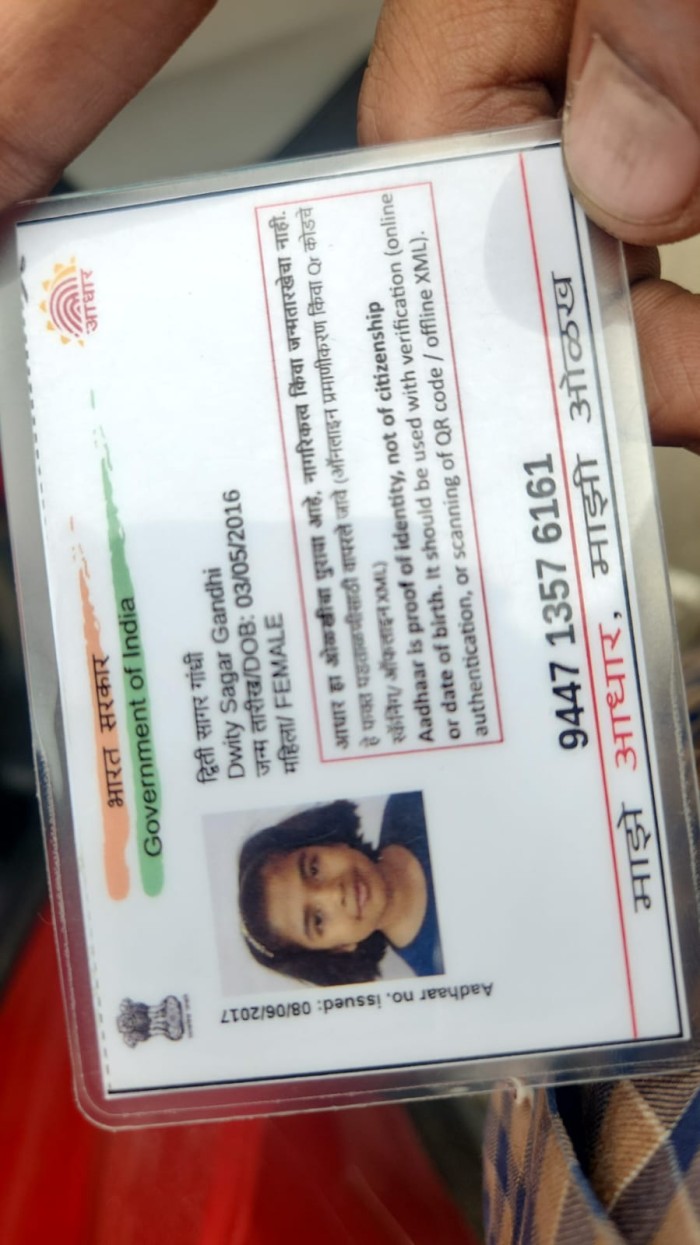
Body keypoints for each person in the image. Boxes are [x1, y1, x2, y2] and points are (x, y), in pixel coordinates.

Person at [3, 1, 700, 1238]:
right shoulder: (516, 959)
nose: (334, 890)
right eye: (316, 918)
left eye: (307, 871)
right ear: (329, 959)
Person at [238, 792, 444, 985]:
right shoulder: (441, 972)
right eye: (317, 920)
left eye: (314, 869)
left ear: (331, 843)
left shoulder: (410, 801)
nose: (335, 893)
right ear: (339, 949)